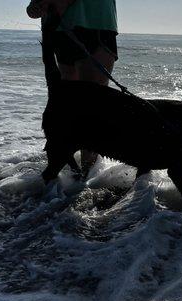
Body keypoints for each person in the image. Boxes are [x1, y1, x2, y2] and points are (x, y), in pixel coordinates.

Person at [27, 0, 118, 177]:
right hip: (61, 28)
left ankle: (81, 178)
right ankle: (77, 179)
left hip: (91, 22)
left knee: (87, 104)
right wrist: (36, 5)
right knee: (78, 105)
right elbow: (34, 8)